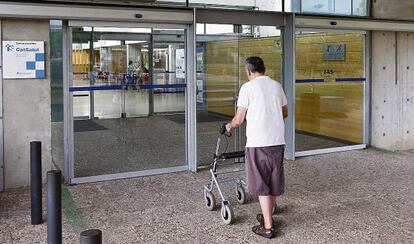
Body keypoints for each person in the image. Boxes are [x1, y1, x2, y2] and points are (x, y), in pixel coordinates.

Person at [225, 56, 288, 239]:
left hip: (257, 143)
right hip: (277, 141)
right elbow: (284, 112)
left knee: (261, 183)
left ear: (249, 71)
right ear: (264, 69)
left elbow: (239, 119)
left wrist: (228, 126)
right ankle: (267, 214)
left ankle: (267, 226)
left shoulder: (247, 87)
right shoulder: (276, 85)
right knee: (273, 180)